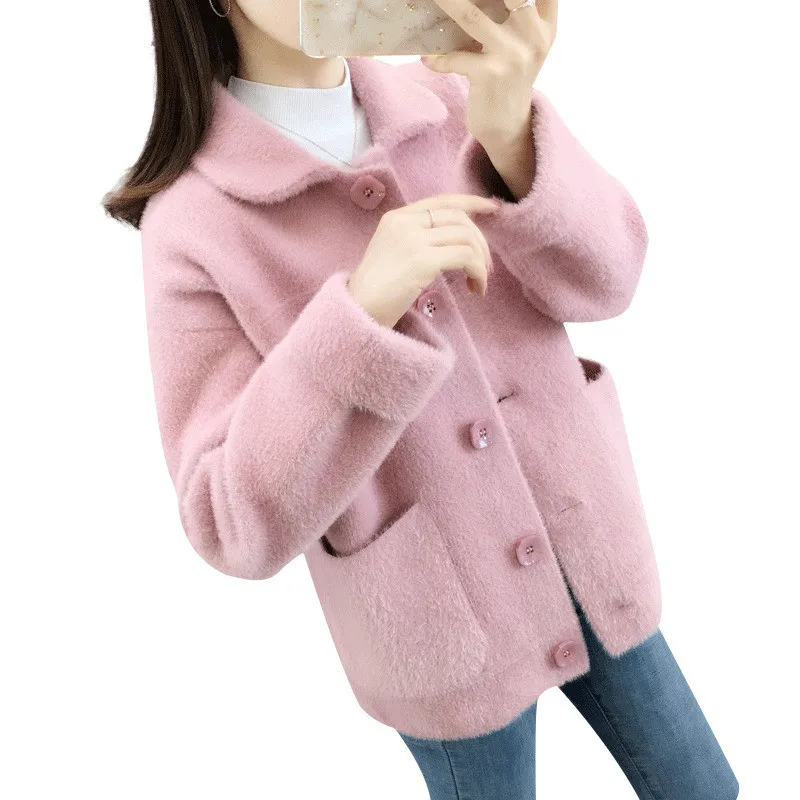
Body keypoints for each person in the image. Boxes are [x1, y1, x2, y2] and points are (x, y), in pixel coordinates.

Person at [103, 1, 739, 797]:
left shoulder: (457, 97)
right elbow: (227, 522)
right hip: (441, 629)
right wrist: (361, 312)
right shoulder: (195, 222)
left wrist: (512, 137)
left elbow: (612, 280)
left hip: (590, 551)